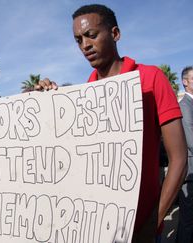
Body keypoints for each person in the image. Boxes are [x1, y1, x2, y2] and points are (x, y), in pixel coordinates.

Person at [37, 4, 187, 242]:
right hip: (94, 228)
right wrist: (45, 105)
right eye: (78, 40)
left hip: (141, 228)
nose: (85, 45)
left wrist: (154, 221)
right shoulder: (82, 96)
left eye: (92, 35)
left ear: (115, 34)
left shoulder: (150, 78)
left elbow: (179, 158)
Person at [177, 66, 193, 243]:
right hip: (190, 172)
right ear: (185, 82)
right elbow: (191, 139)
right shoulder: (185, 106)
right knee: (187, 221)